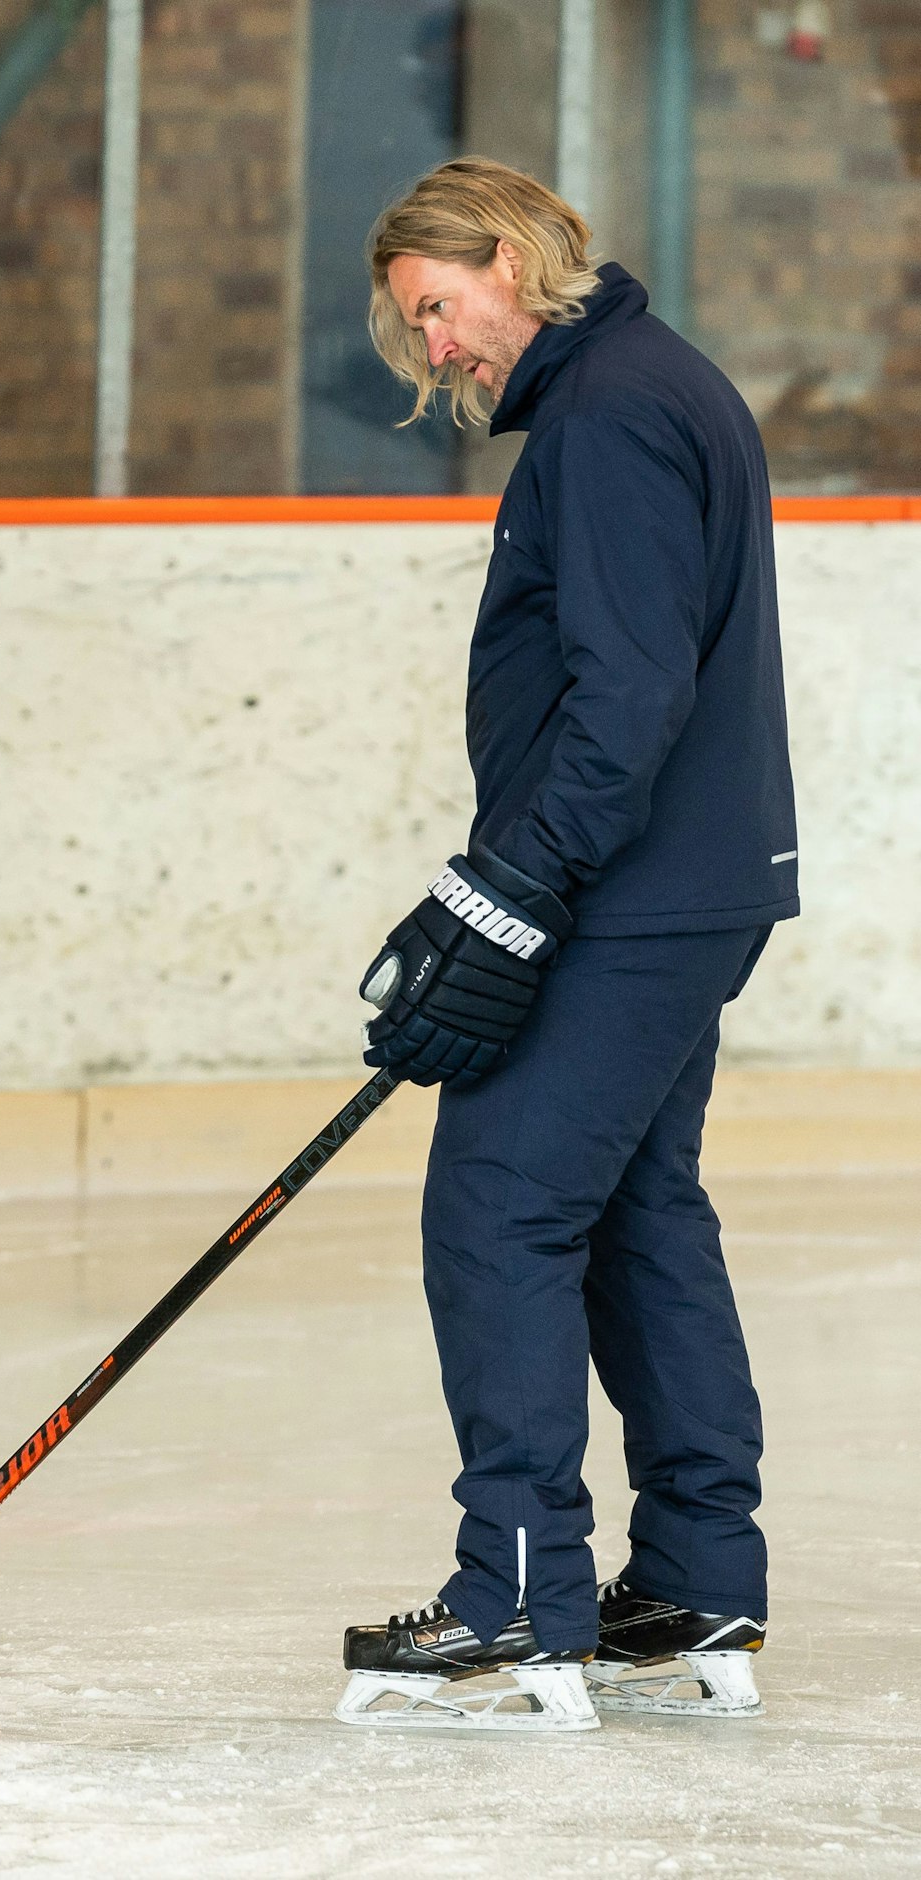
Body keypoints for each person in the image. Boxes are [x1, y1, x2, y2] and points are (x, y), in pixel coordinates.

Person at [332, 159, 797, 1733]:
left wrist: (513, 885)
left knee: (501, 1204)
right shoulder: (656, 387)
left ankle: (516, 1595)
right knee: (633, 1206)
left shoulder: (604, 418)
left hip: (630, 890)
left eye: (441, 309)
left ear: (515, 261)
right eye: (416, 329)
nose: (439, 349)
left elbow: (630, 694)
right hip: (679, 883)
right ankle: (694, 1577)